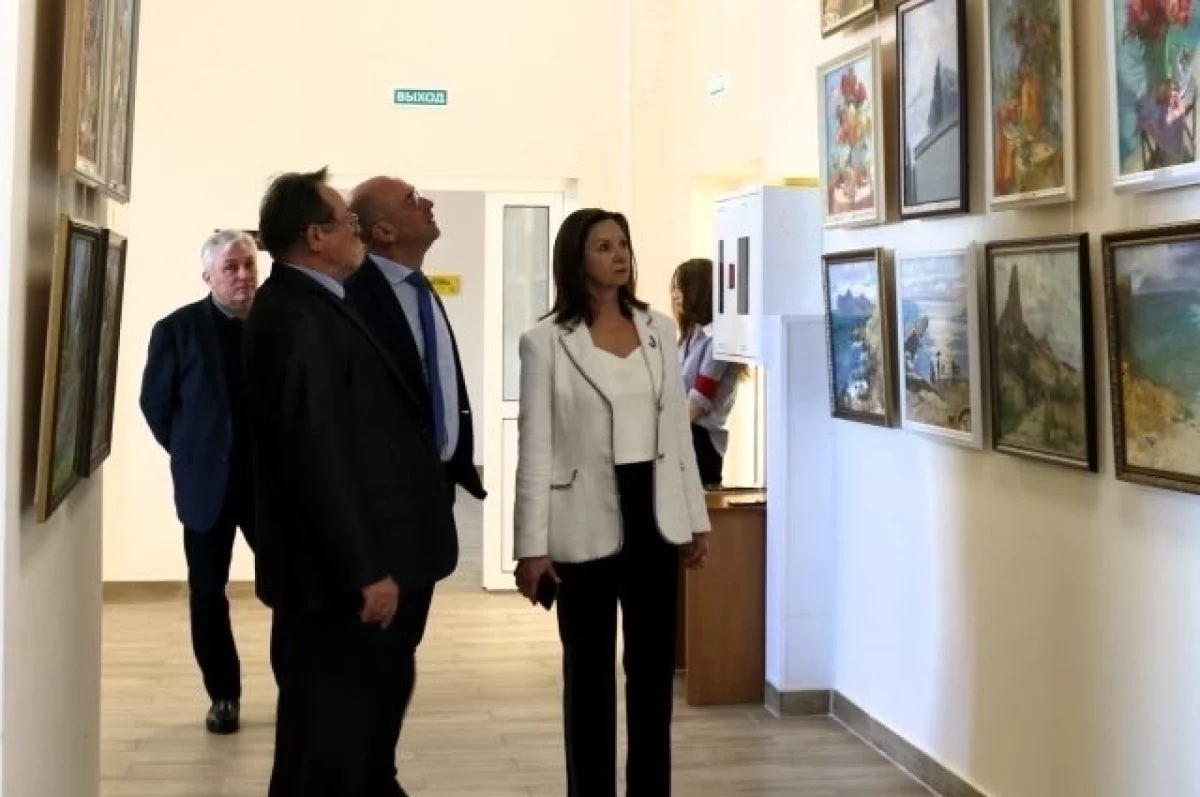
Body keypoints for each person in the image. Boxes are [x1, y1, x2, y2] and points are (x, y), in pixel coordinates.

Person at [244, 167, 457, 797]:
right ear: (316, 236)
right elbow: (317, 457)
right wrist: (365, 569)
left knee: (345, 740)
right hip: (332, 584)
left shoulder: (315, 305)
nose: (355, 233)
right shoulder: (296, 317)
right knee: (324, 749)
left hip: (339, 570)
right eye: (346, 222)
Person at [512, 208, 711, 797]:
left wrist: (695, 518)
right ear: (576, 259)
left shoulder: (658, 330)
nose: (618, 255)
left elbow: (677, 435)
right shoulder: (545, 342)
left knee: (652, 679)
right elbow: (535, 449)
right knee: (589, 679)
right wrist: (531, 548)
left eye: (622, 244)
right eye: (603, 246)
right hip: (582, 523)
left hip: (655, 515)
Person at [342, 175, 487, 775]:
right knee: (373, 660)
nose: (427, 204)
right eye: (412, 201)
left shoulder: (420, 288)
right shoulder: (355, 295)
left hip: (430, 500)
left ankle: (379, 772)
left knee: (400, 653)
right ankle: (367, 775)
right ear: (382, 229)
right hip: (383, 512)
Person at [139, 228, 259, 735]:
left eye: (249, 265)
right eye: (231, 267)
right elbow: (156, 406)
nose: (242, 275)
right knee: (208, 593)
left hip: (271, 487)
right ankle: (223, 695)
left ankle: (302, 687)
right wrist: (194, 453)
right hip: (207, 487)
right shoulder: (177, 330)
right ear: (208, 276)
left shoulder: (282, 325)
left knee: (291, 588)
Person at [670, 257, 745, 487]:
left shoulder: (719, 340)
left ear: (700, 291)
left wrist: (664, 435)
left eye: (681, 288)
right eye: (674, 288)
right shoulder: (690, 335)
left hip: (700, 440)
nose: (675, 295)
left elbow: (699, 400)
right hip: (684, 432)